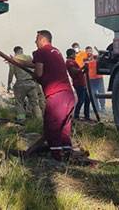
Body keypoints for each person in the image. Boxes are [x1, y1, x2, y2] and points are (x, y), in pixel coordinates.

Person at [24, 30, 75, 160]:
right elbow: (39, 64)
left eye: (36, 39)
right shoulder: (55, 51)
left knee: (51, 126)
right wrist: (22, 63)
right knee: (64, 127)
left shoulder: (41, 52)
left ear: (42, 39)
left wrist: (34, 76)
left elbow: (39, 73)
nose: (35, 42)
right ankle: (67, 153)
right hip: (68, 95)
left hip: (56, 95)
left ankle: (57, 157)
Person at [7, 46, 44, 122]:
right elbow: (35, 68)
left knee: (19, 103)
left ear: (15, 51)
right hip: (31, 83)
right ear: (22, 50)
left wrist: (9, 84)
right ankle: (39, 120)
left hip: (20, 84)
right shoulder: (29, 57)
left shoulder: (14, 59)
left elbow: (11, 73)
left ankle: (21, 119)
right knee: (35, 103)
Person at [66, 49, 89, 120]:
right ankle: (76, 115)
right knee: (81, 100)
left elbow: (78, 73)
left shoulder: (72, 61)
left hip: (81, 83)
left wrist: (83, 70)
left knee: (87, 100)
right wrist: (82, 68)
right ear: (71, 54)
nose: (75, 55)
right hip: (79, 84)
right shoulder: (69, 62)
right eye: (74, 54)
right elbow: (74, 72)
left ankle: (86, 116)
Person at [86, 46, 105, 112]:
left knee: (101, 92)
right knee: (93, 94)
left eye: (90, 51)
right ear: (86, 52)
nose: (89, 52)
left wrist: (99, 53)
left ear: (92, 51)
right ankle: (96, 108)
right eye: (88, 51)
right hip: (90, 79)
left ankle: (103, 107)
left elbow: (102, 57)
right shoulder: (85, 59)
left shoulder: (96, 57)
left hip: (98, 78)